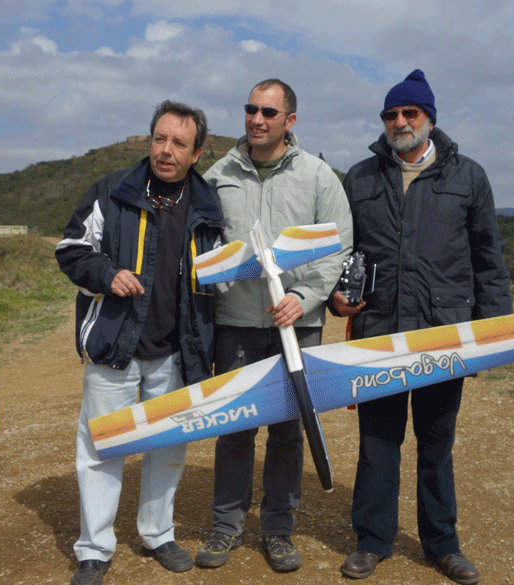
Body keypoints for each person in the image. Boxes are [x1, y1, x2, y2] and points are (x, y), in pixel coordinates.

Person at [331, 70, 512, 584]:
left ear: (430, 118)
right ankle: (372, 540)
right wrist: (335, 297)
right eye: (391, 114)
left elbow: (488, 257)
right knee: (377, 442)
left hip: (443, 332)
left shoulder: (468, 177)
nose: (400, 121)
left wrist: (492, 334)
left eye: (410, 113)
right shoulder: (360, 178)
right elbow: (342, 252)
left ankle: (442, 544)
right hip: (379, 330)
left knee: (436, 443)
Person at [56, 100, 224, 585]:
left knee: (167, 447)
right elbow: (71, 250)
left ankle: (157, 534)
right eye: (159, 138)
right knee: (102, 447)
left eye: (179, 143)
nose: (166, 150)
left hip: (175, 351)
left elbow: (218, 272)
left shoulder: (209, 205)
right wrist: (107, 274)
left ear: (196, 153)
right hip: (116, 347)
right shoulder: (111, 191)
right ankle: (94, 549)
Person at [194, 79, 353, 573]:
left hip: (297, 325)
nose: (257, 119)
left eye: (268, 112)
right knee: (234, 428)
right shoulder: (217, 176)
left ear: (290, 120)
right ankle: (226, 527)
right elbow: (201, 245)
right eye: (251, 109)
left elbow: (338, 245)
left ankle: (279, 530)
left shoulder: (318, 177)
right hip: (235, 323)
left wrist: (303, 299)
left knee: (288, 431)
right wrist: (220, 286)